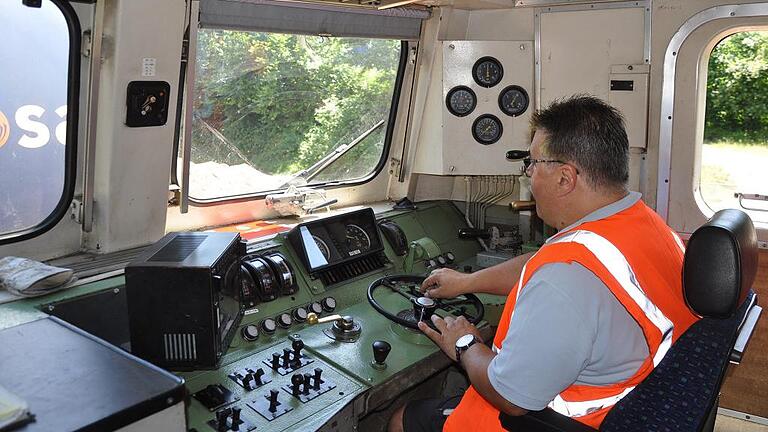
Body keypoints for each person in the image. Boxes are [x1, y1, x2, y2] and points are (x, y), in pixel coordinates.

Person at [388, 95, 699, 432]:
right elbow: (544, 264)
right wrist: (468, 282)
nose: (529, 175)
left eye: (533, 164)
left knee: (404, 418)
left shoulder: (565, 279)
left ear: (565, 178)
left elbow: (511, 399)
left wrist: (465, 344)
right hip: (635, 401)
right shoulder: (645, 225)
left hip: (552, 420)